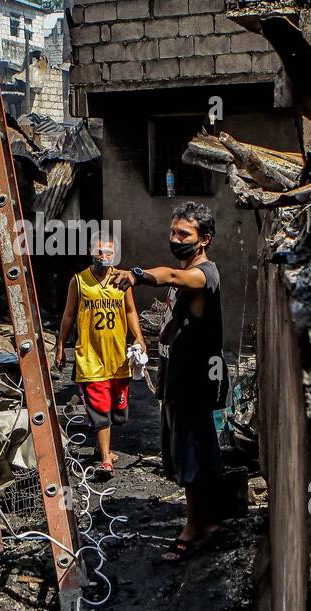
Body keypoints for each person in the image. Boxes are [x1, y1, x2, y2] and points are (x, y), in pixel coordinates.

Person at [111, 202, 224, 562]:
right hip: (176, 379)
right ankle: (205, 519)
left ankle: (197, 527)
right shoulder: (186, 270)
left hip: (193, 383)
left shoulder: (203, 275)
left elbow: (173, 278)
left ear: (204, 239)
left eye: (184, 234)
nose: (175, 239)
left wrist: (137, 274)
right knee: (184, 450)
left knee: (191, 451)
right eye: (173, 232)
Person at [55, 235, 146, 474]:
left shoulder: (122, 280)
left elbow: (130, 311)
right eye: (99, 251)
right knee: (100, 408)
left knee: (117, 410)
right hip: (90, 356)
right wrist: (60, 345)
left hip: (117, 357)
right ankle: (106, 459)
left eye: (108, 252)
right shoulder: (79, 281)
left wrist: (139, 338)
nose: (103, 256)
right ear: (90, 252)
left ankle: (101, 447)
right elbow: (68, 315)